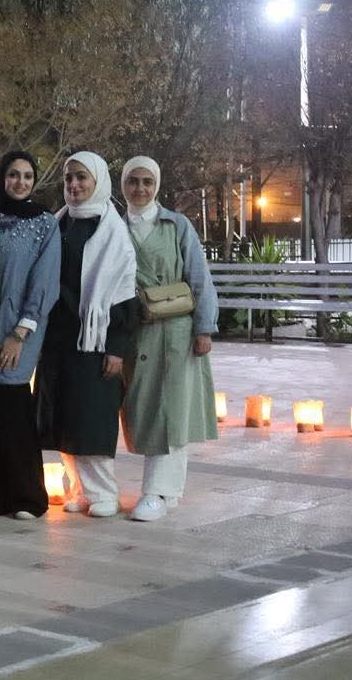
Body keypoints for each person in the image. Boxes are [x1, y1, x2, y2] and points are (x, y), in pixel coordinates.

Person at [35, 151, 137, 518]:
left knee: (91, 416)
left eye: (81, 178)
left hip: (94, 339)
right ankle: (79, 491)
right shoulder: (58, 223)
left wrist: (116, 348)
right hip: (58, 337)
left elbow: (123, 294)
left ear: (98, 182)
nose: (74, 185)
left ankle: (103, 492)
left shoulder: (111, 231)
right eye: (68, 178)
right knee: (63, 416)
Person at [119, 156, 219, 521]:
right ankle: (167, 490)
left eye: (147, 181)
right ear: (122, 184)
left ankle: (158, 491)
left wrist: (204, 327)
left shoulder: (176, 224)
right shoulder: (113, 226)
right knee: (144, 409)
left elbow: (199, 276)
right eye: (133, 181)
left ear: (157, 185)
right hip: (135, 332)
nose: (140, 189)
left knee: (173, 412)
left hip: (175, 331)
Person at [0, 151, 60, 520]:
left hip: (19, 329)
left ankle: (27, 497)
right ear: (2, 178)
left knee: (13, 411)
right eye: (13, 174)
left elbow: (45, 281)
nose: (20, 182)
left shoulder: (44, 224)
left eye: (27, 176)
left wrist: (20, 333)